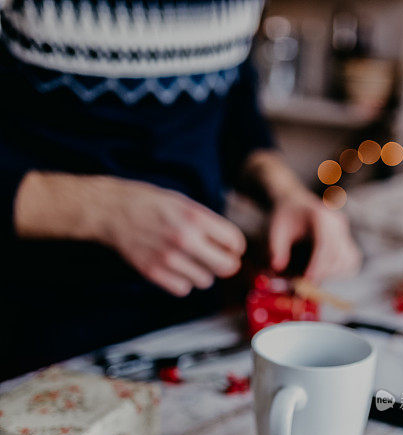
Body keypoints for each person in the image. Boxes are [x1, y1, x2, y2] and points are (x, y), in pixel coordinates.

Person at [0, 0, 360, 378]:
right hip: (29, 329)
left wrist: (284, 190)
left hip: (189, 326)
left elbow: (230, 98)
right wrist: (102, 210)